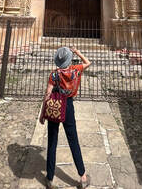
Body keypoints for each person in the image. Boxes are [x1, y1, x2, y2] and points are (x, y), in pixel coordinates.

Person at [39, 46, 91, 189]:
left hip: (55, 106)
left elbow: (47, 94)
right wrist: (78, 52)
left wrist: (43, 113)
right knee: (73, 140)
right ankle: (83, 177)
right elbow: (88, 62)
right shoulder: (75, 70)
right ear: (69, 59)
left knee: (52, 142)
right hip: (68, 106)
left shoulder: (54, 75)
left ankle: (49, 179)